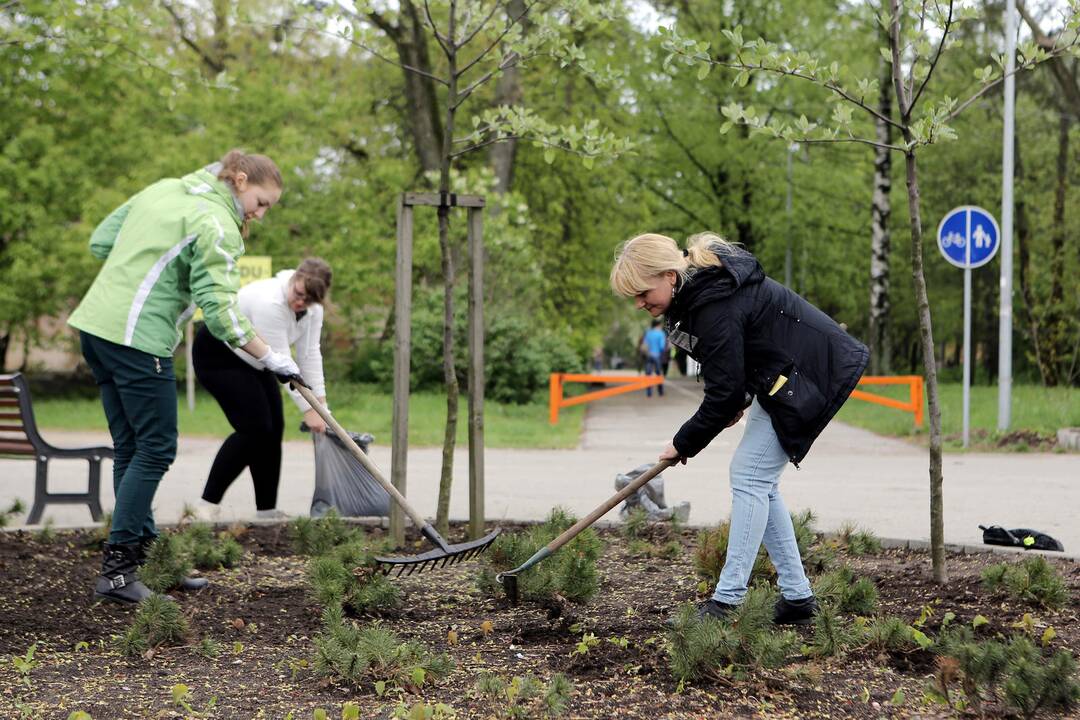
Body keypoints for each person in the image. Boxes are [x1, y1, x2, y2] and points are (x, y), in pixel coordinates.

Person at [68, 150, 299, 603]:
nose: (262, 213)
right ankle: (118, 572)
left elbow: (101, 241)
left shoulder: (164, 190)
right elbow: (219, 311)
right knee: (155, 449)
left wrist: (147, 268)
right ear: (237, 180)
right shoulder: (216, 223)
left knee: (132, 447)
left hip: (95, 328)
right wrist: (269, 356)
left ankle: (149, 560)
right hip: (138, 337)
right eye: (261, 201)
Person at [609, 231, 869, 625]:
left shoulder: (713, 303)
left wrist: (682, 443)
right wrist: (741, 395)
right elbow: (745, 353)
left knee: (748, 476)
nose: (640, 303)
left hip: (811, 373)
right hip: (783, 375)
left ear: (669, 276)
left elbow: (724, 390)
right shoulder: (700, 294)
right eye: (634, 297)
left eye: (643, 292)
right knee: (758, 481)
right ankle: (798, 599)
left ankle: (726, 602)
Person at [193, 258, 333, 520]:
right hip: (219, 354)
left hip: (259, 359)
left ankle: (266, 511)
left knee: (273, 429)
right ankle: (206, 506)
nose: (301, 302)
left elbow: (310, 355)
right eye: (299, 294)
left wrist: (322, 406)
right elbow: (283, 362)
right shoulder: (269, 302)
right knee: (254, 428)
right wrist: (309, 409)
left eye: (310, 300)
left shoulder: (313, 310)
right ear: (295, 279)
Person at [642, 318, 668, 397]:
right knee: (658, 374)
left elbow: (645, 344)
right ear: (658, 325)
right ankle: (660, 392)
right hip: (657, 356)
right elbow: (662, 347)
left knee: (648, 374)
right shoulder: (661, 333)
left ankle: (649, 392)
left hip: (649, 355)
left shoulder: (648, 333)